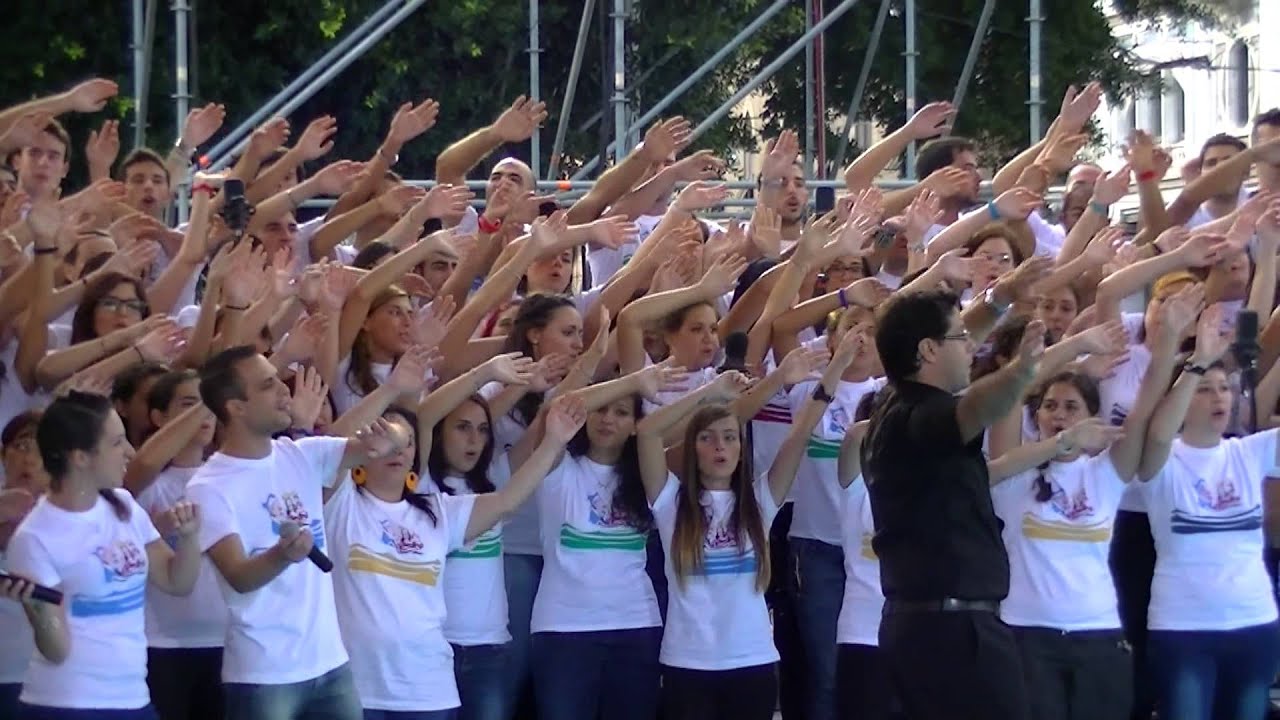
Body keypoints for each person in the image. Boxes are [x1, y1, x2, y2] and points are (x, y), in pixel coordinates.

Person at [186, 345, 412, 720]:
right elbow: (239, 577)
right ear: (235, 407)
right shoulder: (208, 486)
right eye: (267, 385)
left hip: (331, 663)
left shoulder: (302, 454)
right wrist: (282, 555)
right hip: (264, 673)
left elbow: (391, 437)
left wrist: (391, 435)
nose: (283, 391)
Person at [861, 280, 1046, 720]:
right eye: (961, 339)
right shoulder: (923, 417)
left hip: (930, 626)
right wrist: (1020, 373)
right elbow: (974, 408)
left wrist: (998, 300)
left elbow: (951, 339)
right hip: (954, 634)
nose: (972, 347)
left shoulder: (893, 404)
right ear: (927, 351)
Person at [1, 391, 202, 720]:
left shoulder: (122, 506)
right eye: (116, 442)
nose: (127, 452)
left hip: (132, 697)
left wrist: (190, 537)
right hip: (68, 703)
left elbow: (176, 580)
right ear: (80, 457)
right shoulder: (36, 537)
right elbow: (57, 650)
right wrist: (37, 609)